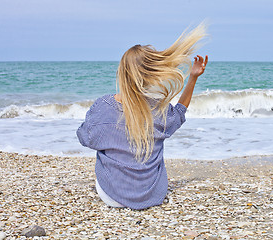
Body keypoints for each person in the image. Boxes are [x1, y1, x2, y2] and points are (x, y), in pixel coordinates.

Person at [77, 23, 208, 210]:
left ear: (121, 72)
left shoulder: (103, 106)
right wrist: (193, 77)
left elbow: (85, 138)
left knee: (103, 148)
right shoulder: (157, 109)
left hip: (111, 196)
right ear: (150, 74)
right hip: (152, 195)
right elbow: (180, 112)